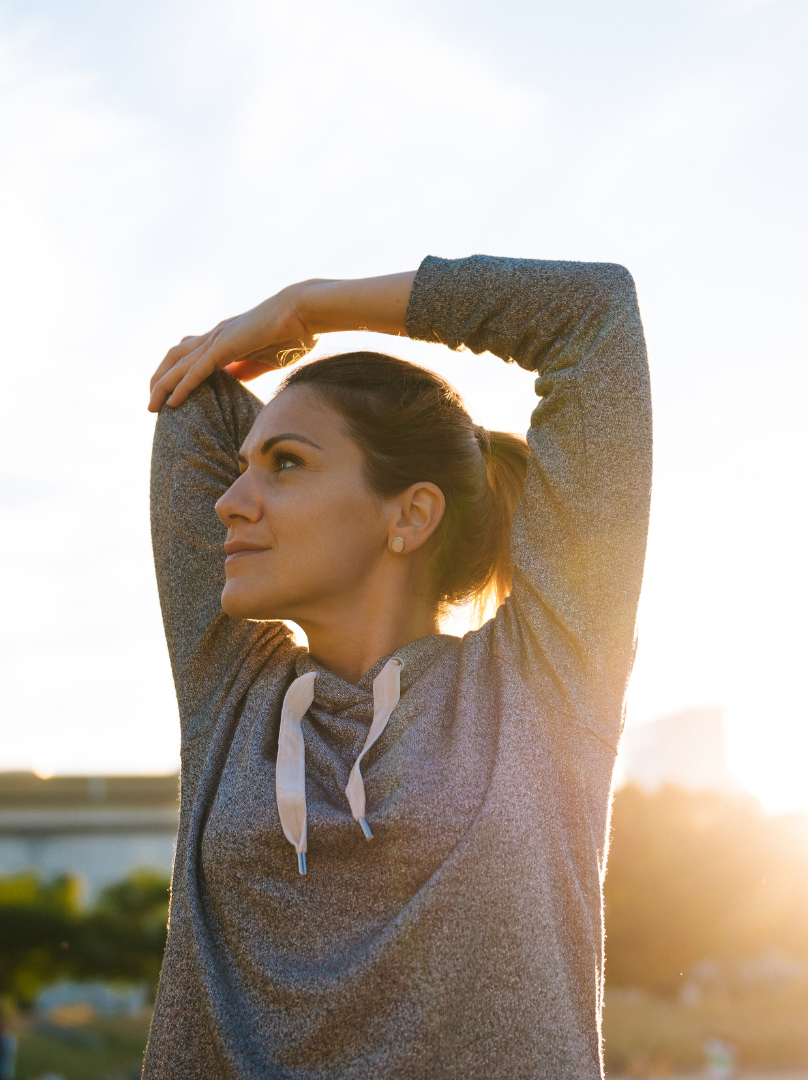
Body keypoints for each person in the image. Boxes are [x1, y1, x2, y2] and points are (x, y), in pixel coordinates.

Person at [143, 255, 652, 1077]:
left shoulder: (545, 682)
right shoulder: (233, 689)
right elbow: (190, 403)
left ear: (410, 514)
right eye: (244, 468)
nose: (229, 502)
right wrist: (278, 396)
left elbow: (591, 316)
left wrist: (305, 309)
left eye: (287, 465)